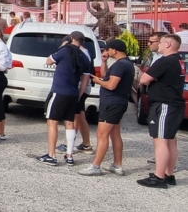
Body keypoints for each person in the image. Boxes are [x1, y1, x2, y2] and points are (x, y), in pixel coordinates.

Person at [79, 40, 135, 176]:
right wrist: (104, 62)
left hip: (112, 103)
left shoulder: (120, 65)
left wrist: (98, 81)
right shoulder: (126, 64)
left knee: (101, 134)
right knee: (115, 133)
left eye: (108, 50)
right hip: (118, 102)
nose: (106, 52)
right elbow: (106, 76)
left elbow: (110, 85)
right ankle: (117, 165)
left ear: (114, 50)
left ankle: (96, 166)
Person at [137, 34, 185, 188]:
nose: (159, 45)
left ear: (169, 44)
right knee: (170, 140)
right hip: (174, 104)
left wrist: (150, 76)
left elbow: (144, 79)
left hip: (164, 104)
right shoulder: (179, 60)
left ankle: (159, 177)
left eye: (162, 43)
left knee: (160, 140)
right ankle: (168, 174)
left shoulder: (165, 61)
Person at [36, 31, 91, 166]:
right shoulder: (84, 57)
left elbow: (49, 61)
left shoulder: (64, 50)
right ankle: (69, 155)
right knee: (70, 122)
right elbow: (85, 80)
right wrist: (79, 95)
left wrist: (62, 47)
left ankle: (51, 155)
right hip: (73, 93)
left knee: (52, 121)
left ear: (71, 39)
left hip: (59, 91)